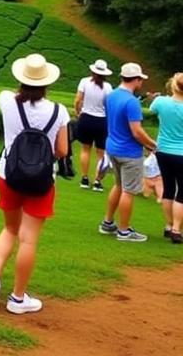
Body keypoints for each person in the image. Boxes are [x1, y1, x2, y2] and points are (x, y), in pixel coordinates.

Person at [0, 53, 69, 315]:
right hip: (41, 180)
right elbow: (62, 150)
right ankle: (18, 298)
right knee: (28, 240)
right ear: (46, 83)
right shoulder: (58, 111)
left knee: (9, 228)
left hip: (9, 174)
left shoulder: (6, 100)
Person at [98, 62, 158, 242]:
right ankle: (124, 230)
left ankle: (108, 222)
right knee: (129, 190)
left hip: (113, 147)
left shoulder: (112, 96)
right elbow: (136, 131)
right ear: (137, 79)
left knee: (118, 185)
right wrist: (152, 145)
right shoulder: (131, 101)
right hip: (129, 151)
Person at [151, 71, 183, 244]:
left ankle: (169, 225)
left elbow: (152, 110)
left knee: (168, 187)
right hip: (181, 153)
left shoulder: (161, 102)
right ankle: (177, 230)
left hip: (162, 150)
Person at [75, 59, 113, 190]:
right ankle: (97, 181)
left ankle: (84, 178)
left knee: (85, 149)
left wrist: (78, 112)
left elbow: (78, 100)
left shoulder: (84, 82)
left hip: (86, 117)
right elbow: (109, 106)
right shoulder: (108, 87)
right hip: (101, 120)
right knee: (100, 153)